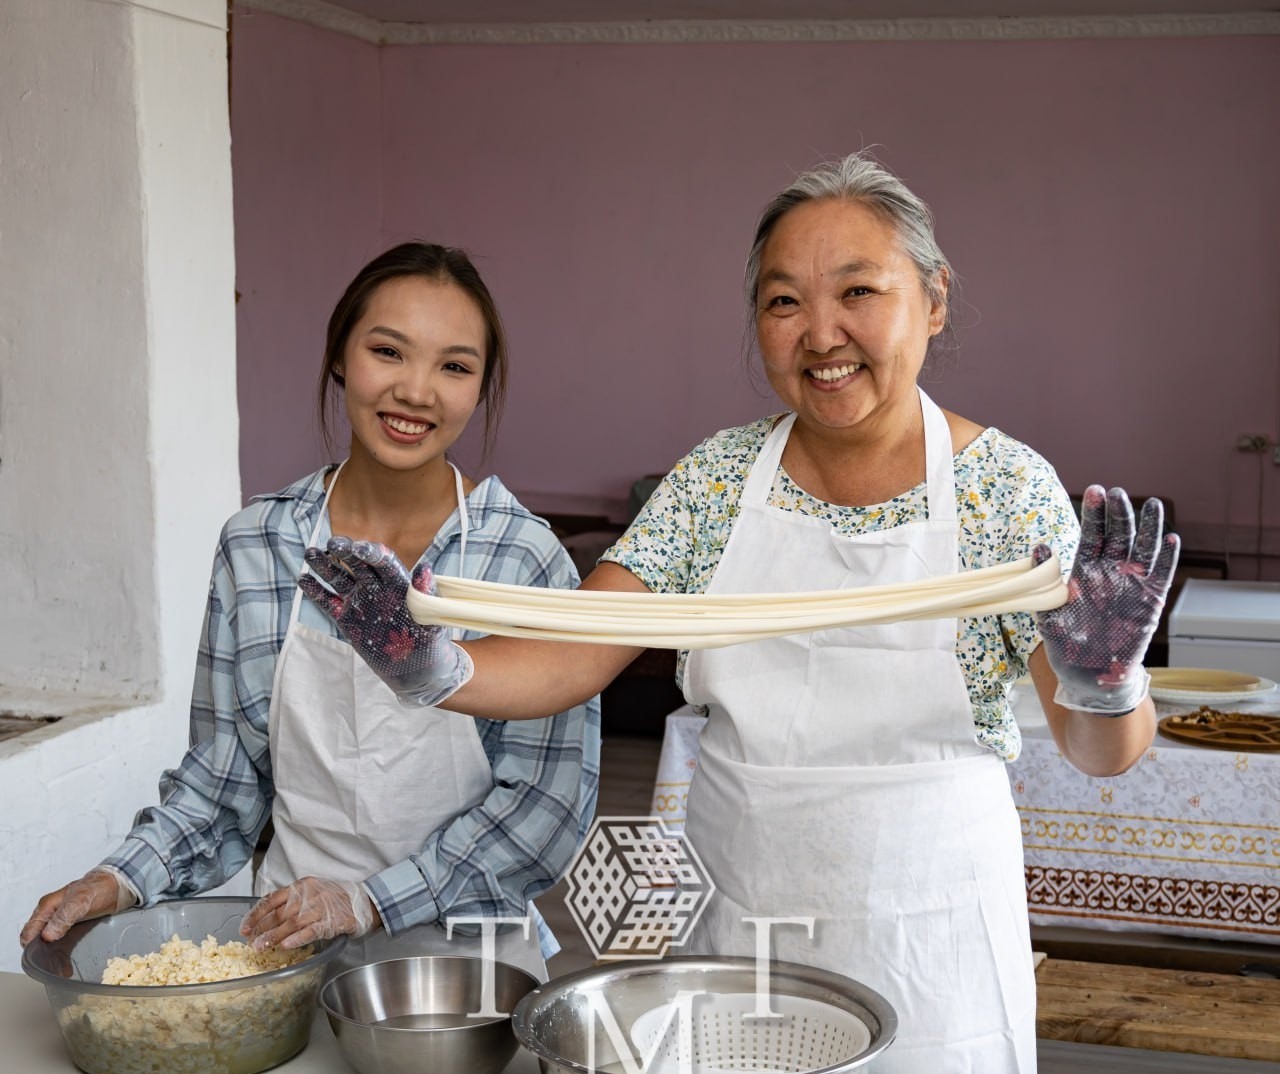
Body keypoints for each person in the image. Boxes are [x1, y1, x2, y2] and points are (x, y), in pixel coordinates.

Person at [295, 156, 1177, 1072]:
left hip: (933, 928)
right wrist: (439, 671)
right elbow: (575, 648)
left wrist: (1105, 685)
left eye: (859, 291)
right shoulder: (718, 479)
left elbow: (1097, 751)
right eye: (783, 301)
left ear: (935, 298)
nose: (821, 333)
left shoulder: (1008, 491)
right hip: (748, 917)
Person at [19, 242, 601, 980]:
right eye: (388, 351)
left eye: (454, 366)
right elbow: (224, 782)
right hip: (284, 956)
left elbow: (543, 811)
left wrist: (369, 902)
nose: (417, 391)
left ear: (480, 388)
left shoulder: (522, 561)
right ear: (339, 356)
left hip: (467, 974)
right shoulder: (259, 544)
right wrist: (121, 877)